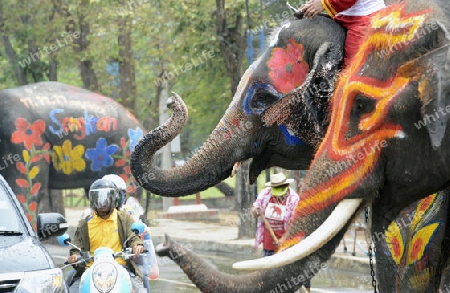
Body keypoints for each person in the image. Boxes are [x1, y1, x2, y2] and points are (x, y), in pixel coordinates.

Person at [66, 178, 147, 293]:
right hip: (90, 270)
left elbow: (133, 237)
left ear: (114, 198)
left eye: (106, 198)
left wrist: (137, 245)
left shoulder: (123, 218)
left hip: (120, 267)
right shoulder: (85, 223)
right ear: (92, 200)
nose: (102, 203)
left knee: (141, 289)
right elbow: (76, 248)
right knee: (70, 289)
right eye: (98, 198)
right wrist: (74, 256)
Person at [251, 172, 310, 292]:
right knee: (269, 277)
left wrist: (284, 239)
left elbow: (295, 222)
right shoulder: (266, 195)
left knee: (292, 274)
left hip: (289, 244)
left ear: (286, 186)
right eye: (275, 188)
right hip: (270, 244)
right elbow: (254, 209)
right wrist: (255, 212)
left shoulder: (294, 199)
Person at [298, 0, 386, 67]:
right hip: (340, 14)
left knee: (354, 64)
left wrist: (323, 3)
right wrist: (310, 6)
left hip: (366, 17)